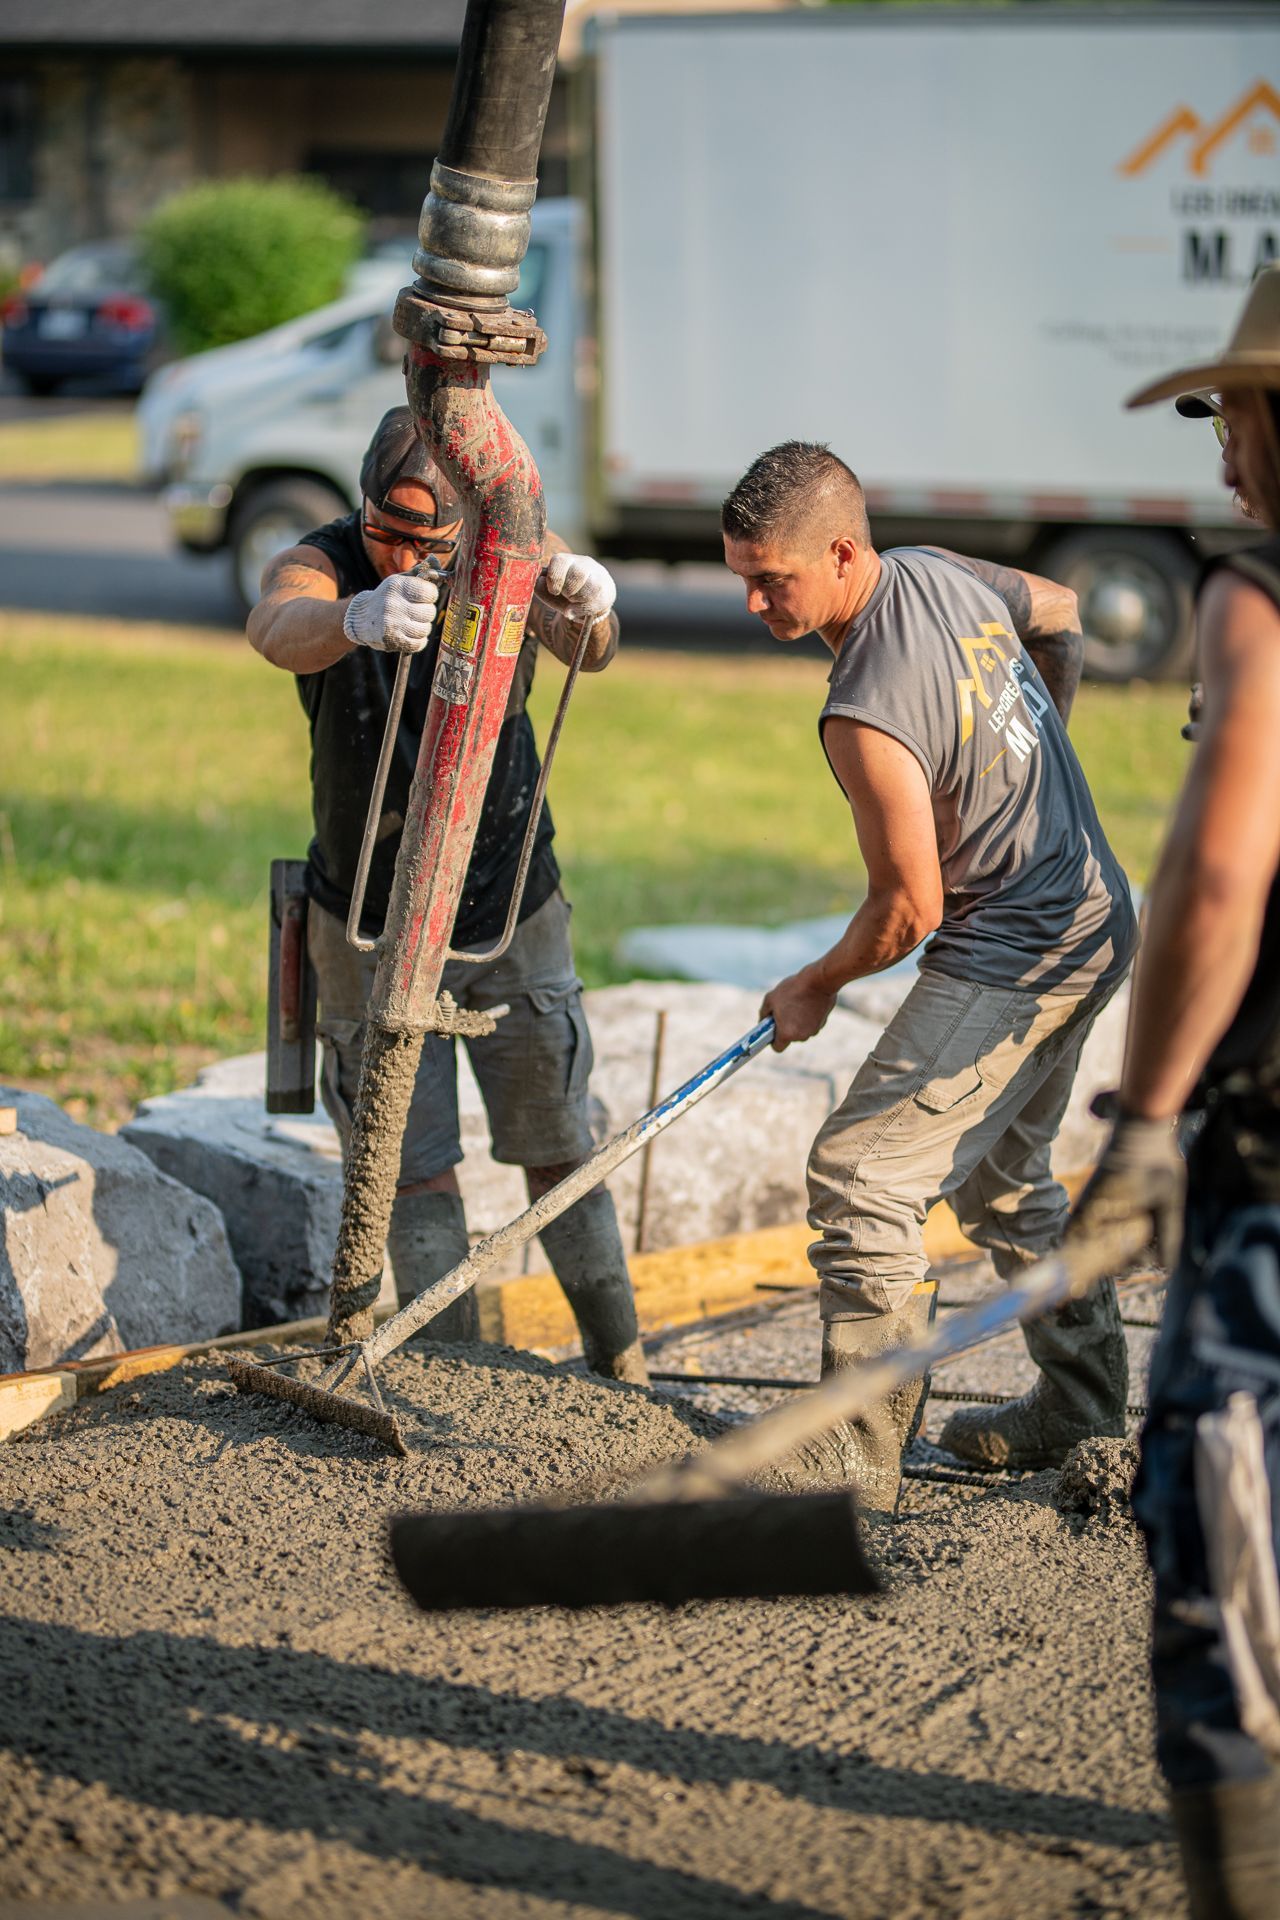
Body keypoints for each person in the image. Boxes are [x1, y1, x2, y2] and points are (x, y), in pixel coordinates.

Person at [720, 442, 1138, 1507]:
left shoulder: (861, 708)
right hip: (1095, 916)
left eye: (774, 579)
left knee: (862, 1176)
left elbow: (907, 910)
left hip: (1018, 951)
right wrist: (1041, 745)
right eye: (743, 578)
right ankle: (1080, 1411)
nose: (756, 602)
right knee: (1000, 1179)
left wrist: (810, 984)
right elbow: (1054, 605)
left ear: (841, 551)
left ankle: (855, 1462)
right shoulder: (935, 569)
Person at [247, 407, 648, 1384]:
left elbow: (585, 642)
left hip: (508, 900)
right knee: (409, 1163)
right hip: (366, 915)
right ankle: (457, 1383)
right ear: (363, 505)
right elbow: (275, 622)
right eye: (393, 535)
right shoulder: (330, 562)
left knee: (556, 1138)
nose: (414, 562)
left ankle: (623, 1363)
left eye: (435, 545)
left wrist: (587, 604)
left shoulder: (504, 542)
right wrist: (351, 617)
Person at [1070, 265, 1280, 1915]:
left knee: (1225, 1548)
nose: (1223, 452)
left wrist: (1145, 1125)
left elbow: (1217, 870)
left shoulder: (1258, 594)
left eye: (1238, 411)